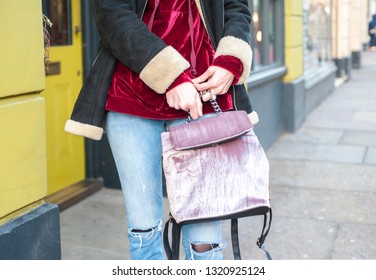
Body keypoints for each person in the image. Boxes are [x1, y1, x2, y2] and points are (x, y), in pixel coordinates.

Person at [65, 0, 258, 260]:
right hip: (131, 97)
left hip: (203, 97)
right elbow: (111, 13)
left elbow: (236, 7)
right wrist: (171, 76)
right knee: (144, 231)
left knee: (205, 241)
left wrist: (230, 61)